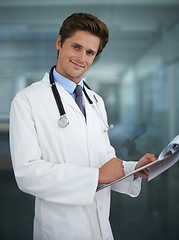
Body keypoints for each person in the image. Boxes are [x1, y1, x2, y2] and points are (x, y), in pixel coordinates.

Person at [10, 13, 156, 240]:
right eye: (76, 47)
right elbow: (27, 173)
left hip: (100, 226)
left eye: (90, 52)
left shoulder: (96, 101)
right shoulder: (27, 100)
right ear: (59, 43)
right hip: (60, 228)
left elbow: (104, 158)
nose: (82, 58)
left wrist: (134, 169)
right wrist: (96, 176)